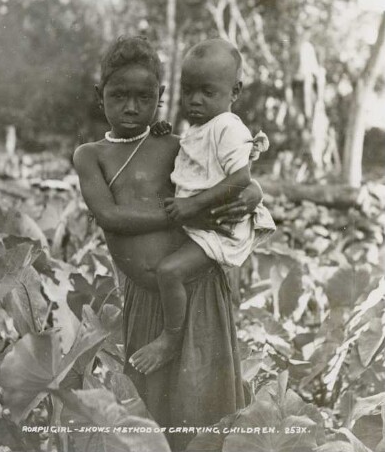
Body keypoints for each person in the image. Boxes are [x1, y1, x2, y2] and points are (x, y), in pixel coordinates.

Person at [73, 36, 263, 451]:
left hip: (197, 292)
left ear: (160, 97)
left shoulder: (177, 143)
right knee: (150, 415)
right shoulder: (91, 154)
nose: (130, 107)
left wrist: (254, 194)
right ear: (99, 95)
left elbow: (231, 175)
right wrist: (184, 212)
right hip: (145, 298)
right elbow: (110, 216)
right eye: (119, 95)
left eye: (144, 97)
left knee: (201, 406)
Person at [129, 38, 275, 375]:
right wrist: (166, 134)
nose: (194, 100)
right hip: (199, 222)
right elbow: (194, 160)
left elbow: (239, 180)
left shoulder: (228, 127)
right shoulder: (202, 125)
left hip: (219, 229)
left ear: (234, 92)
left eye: (207, 92)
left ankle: (171, 338)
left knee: (170, 271)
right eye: (188, 90)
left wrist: (192, 206)